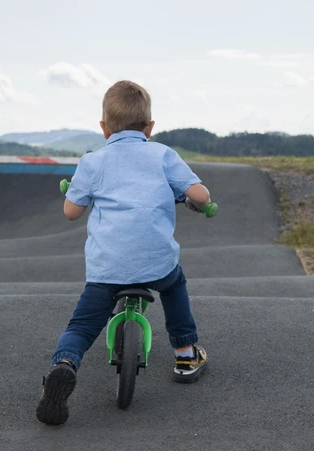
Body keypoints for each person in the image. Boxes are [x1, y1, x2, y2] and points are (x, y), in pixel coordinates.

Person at [36, 80, 213, 426]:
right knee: (175, 287)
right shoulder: (163, 154)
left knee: (83, 324)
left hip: (107, 269)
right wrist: (197, 197)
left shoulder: (92, 162)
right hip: (157, 263)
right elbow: (200, 196)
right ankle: (186, 355)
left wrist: (75, 193)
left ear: (104, 128)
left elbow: (72, 212)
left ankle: (64, 365)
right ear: (150, 127)